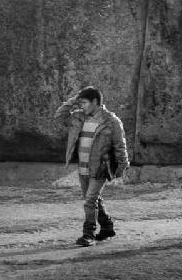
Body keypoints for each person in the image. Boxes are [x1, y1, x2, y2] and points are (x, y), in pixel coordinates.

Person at [54, 86, 130, 247]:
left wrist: (122, 168)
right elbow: (59, 116)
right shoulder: (78, 117)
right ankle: (107, 227)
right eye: (80, 103)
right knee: (93, 199)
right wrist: (74, 100)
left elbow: (120, 147)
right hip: (82, 168)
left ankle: (88, 234)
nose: (81, 106)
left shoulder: (112, 121)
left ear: (95, 102)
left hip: (100, 168)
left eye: (84, 102)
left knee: (89, 201)